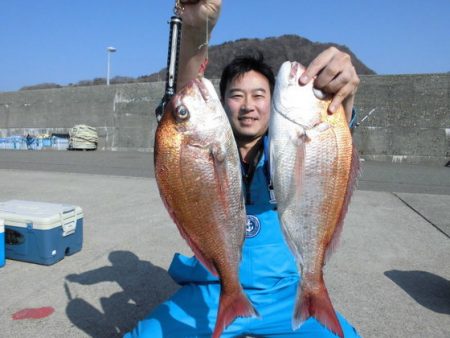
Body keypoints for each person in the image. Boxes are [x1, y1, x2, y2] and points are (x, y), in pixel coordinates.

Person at [126, 1, 361, 337]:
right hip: (213, 287)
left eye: (259, 95)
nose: (248, 106)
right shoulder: (207, 145)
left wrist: (343, 89)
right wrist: (194, 29)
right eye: (236, 95)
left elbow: (334, 134)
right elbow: (187, 92)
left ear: (275, 100)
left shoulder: (287, 144)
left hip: (287, 291)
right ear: (223, 105)